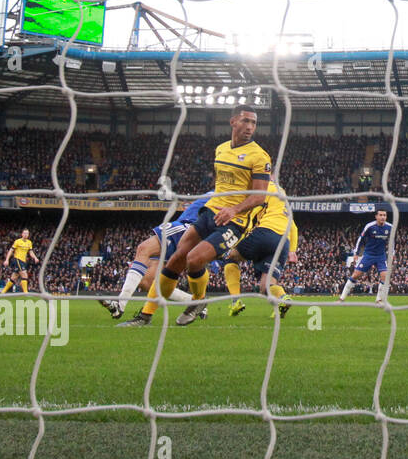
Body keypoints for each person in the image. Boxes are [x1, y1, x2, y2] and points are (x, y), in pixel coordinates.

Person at [156, 105, 272, 319]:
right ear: (233, 121)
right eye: (246, 121)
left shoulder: (260, 157)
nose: (250, 127)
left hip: (235, 221)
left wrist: (233, 209)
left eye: (254, 123)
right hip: (211, 212)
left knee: (194, 259)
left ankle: (199, 302)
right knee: (177, 258)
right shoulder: (220, 149)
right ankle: (147, 313)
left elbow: (259, 197)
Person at [100, 193, 212, 322]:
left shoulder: (227, 190)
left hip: (187, 227)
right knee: (147, 282)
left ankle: (120, 304)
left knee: (143, 249)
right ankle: (197, 303)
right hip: (189, 228)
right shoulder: (222, 186)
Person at [222, 181, 298, 320]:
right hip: (283, 242)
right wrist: (292, 251)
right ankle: (282, 298)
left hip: (265, 232)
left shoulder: (260, 187)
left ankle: (235, 301)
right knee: (266, 287)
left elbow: (251, 213)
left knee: (230, 257)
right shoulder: (282, 201)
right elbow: (293, 227)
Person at [338, 209, 393, 305]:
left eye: (384, 215)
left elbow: (392, 240)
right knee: (356, 275)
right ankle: (341, 298)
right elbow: (361, 238)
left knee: (385, 276)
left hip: (381, 256)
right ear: (376, 216)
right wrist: (356, 253)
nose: (383, 217)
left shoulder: (389, 227)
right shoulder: (370, 226)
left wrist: (392, 253)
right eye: (380, 215)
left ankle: (378, 300)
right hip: (369, 255)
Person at [1, 229, 34, 294]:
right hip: (17, 260)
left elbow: (31, 252)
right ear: (22, 234)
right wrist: (7, 260)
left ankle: (3, 291)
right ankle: (25, 293)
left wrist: (35, 258)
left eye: (27, 233)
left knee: (14, 277)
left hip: (24, 262)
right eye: (24, 233)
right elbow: (11, 250)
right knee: (24, 275)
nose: (25, 235)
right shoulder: (17, 241)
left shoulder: (29, 242)